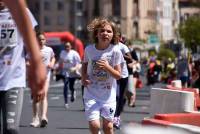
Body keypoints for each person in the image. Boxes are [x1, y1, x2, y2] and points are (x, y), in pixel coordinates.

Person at [0, 1, 46, 134]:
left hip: (13, 80)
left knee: (11, 129)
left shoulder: (21, 11)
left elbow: (31, 39)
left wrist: (36, 64)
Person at [82, 18, 123, 134]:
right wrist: (83, 77)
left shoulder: (115, 51)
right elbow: (84, 64)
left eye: (109, 31)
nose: (105, 33)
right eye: (102, 31)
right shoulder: (89, 50)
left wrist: (107, 67)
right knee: (95, 126)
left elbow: (118, 75)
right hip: (91, 93)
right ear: (97, 34)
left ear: (113, 34)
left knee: (108, 127)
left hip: (108, 96)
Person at [27, 32, 55, 128]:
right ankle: (35, 118)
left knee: (44, 95)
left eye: (43, 39)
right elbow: (27, 61)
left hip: (46, 76)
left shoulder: (49, 50)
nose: (41, 41)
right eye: (39, 39)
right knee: (36, 97)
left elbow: (53, 57)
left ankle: (43, 117)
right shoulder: (32, 50)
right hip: (35, 77)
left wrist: (51, 63)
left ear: (45, 40)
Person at [113, 40, 130, 129]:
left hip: (123, 75)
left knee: (122, 98)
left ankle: (117, 116)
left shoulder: (123, 47)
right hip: (113, 75)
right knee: (115, 96)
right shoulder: (108, 46)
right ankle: (114, 116)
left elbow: (130, 59)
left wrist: (121, 54)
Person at [58, 42, 81, 109]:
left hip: (73, 71)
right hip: (65, 71)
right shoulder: (62, 52)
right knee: (65, 85)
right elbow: (60, 61)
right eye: (65, 46)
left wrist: (74, 68)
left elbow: (78, 63)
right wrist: (58, 68)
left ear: (71, 46)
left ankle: (73, 92)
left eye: (68, 46)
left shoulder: (74, 53)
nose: (67, 47)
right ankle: (66, 102)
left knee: (71, 86)